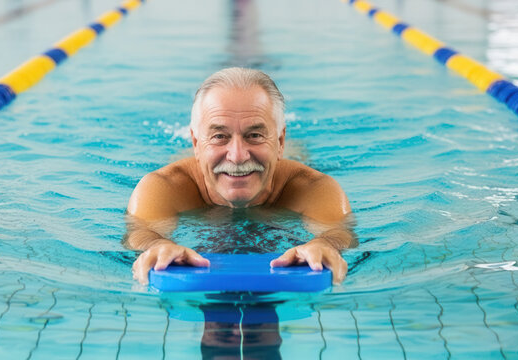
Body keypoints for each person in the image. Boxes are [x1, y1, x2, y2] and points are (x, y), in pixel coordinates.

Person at [124, 67, 356, 285]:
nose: (237, 156)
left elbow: (338, 233)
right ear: (195, 143)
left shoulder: (313, 188)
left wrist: (325, 244)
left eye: (254, 135)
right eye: (219, 136)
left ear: (280, 142)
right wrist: (157, 245)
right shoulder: (163, 187)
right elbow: (140, 233)